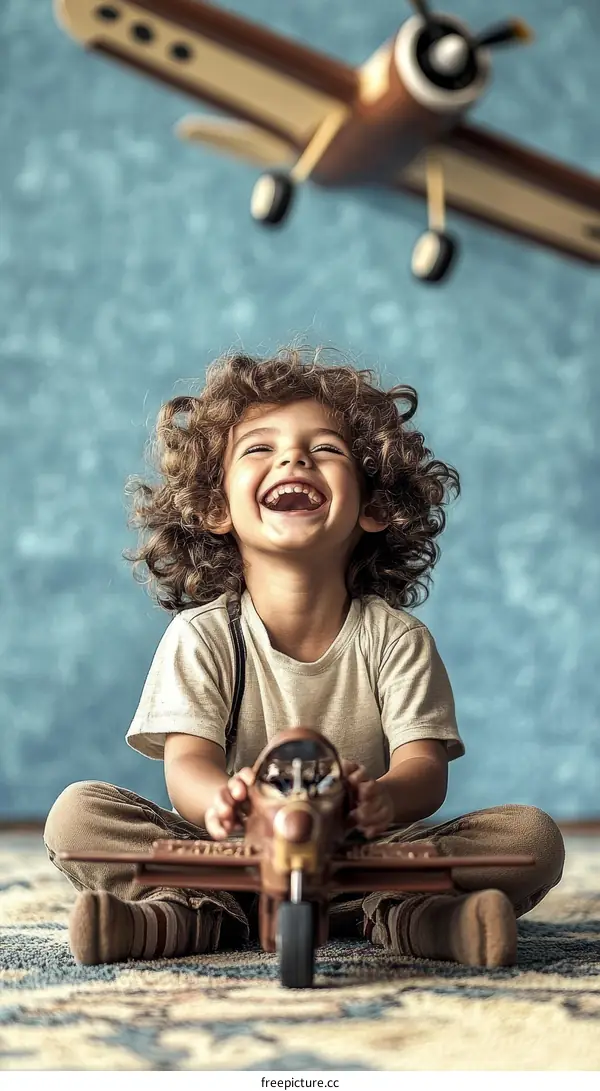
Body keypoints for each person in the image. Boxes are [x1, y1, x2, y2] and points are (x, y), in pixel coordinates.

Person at [44, 347, 565, 969]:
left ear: (376, 506)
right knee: (78, 815)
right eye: (259, 448)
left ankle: (421, 918)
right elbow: (186, 765)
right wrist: (220, 804)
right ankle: (182, 913)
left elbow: (424, 772)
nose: (294, 457)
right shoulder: (203, 636)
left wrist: (379, 802)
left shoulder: (396, 639)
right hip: (239, 856)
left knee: (531, 836)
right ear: (215, 508)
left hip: (361, 859)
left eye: (327, 449)